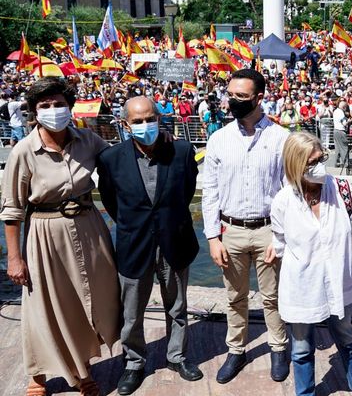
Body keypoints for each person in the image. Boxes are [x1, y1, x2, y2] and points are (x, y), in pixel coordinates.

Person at [1, 77, 120, 396]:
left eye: (59, 104)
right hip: (44, 233)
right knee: (43, 306)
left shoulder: (88, 140)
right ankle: (37, 376)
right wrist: (15, 258)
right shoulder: (24, 151)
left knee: (89, 300)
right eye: (45, 105)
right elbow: (12, 210)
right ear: (34, 111)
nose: (53, 110)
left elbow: (116, 168)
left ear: (70, 107)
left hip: (89, 227)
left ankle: (84, 371)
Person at [96, 96, 202, 395]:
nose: (145, 126)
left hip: (174, 240)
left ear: (159, 117)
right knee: (132, 312)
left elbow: (187, 191)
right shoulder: (111, 158)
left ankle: (176, 356)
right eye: (138, 121)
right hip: (134, 243)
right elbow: (111, 201)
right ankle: (134, 362)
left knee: (177, 307)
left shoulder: (181, 151)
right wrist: (134, 225)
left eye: (149, 118)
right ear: (125, 124)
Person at [266, 132, 352, 396]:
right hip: (302, 286)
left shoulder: (341, 190)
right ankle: (305, 393)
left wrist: (335, 247)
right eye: (311, 162)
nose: (319, 166)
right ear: (295, 165)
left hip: (338, 281)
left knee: (346, 337)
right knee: (302, 348)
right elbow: (280, 239)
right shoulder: (283, 202)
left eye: (321, 158)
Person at [201, 68, 290, 384]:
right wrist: (213, 237)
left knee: (273, 296)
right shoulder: (219, 139)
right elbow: (210, 191)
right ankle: (236, 350)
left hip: (269, 229)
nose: (233, 101)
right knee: (234, 297)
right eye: (231, 94)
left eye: (241, 96)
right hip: (231, 231)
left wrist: (280, 236)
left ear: (259, 97)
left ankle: (279, 346)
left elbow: (289, 192)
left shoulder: (281, 138)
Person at [333, 98, 351, 167]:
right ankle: (346, 163)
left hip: (335, 130)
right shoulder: (341, 112)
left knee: (337, 148)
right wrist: (349, 121)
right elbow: (344, 123)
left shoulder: (335, 111)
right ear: (344, 107)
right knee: (344, 147)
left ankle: (337, 162)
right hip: (340, 130)